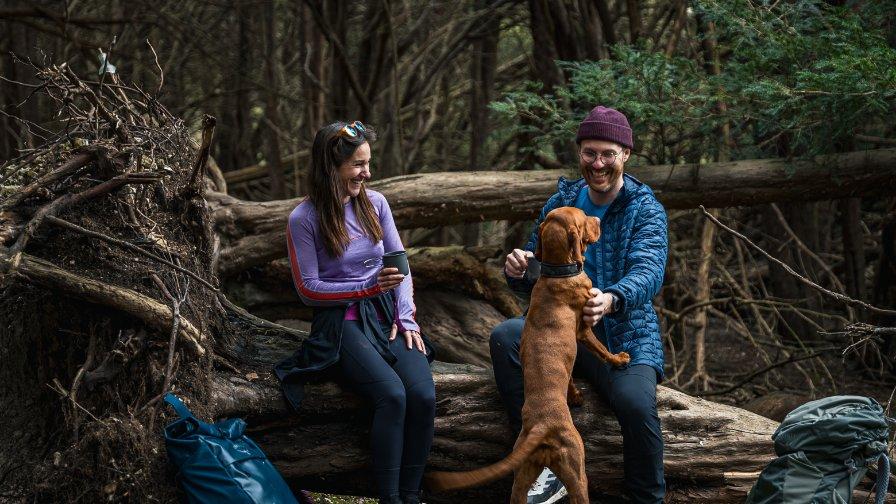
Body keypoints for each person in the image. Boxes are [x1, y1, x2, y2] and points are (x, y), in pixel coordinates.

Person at [490, 106, 668, 504]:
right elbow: (543, 273)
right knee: (505, 337)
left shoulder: (645, 208)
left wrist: (612, 298)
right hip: (558, 332)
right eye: (590, 153)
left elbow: (650, 271)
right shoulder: (563, 200)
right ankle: (542, 459)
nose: (598, 163)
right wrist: (520, 270)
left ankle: (647, 497)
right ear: (580, 153)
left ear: (625, 155)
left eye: (608, 153)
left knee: (636, 405)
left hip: (624, 333)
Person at [274, 121, 435, 504]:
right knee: (392, 396)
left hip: (386, 315)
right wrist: (363, 288)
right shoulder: (303, 219)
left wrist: (406, 316)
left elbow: (400, 265)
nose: (367, 172)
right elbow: (308, 288)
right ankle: (389, 498)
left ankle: (411, 496)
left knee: (424, 396)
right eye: (358, 164)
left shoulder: (376, 203)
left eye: (368, 163)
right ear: (332, 166)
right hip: (340, 320)